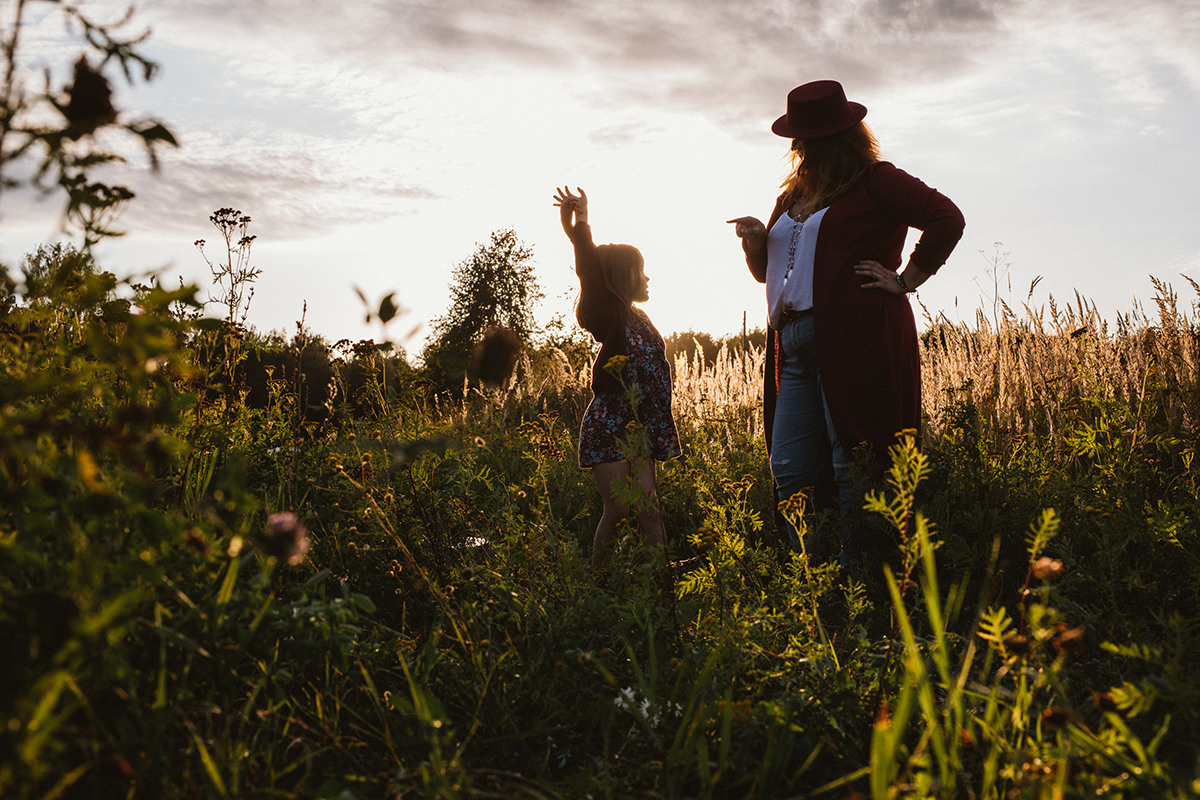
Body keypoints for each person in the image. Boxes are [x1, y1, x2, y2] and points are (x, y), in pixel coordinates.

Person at [728, 80, 964, 552]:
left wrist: (905, 280)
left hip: (856, 336)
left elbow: (946, 217)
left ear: (832, 138)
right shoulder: (793, 195)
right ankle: (810, 579)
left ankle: (861, 577)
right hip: (791, 343)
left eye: (805, 139)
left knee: (852, 459)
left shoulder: (875, 180)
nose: (797, 148)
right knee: (790, 467)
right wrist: (758, 243)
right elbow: (771, 275)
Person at [553, 186, 682, 570]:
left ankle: (662, 586)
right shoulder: (610, 313)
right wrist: (580, 223)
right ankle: (599, 582)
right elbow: (589, 270)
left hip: (640, 428)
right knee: (620, 509)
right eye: (639, 270)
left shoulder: (638, 317)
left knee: (650, 511)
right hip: (609, 424)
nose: (646, 277)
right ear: (619, 278)